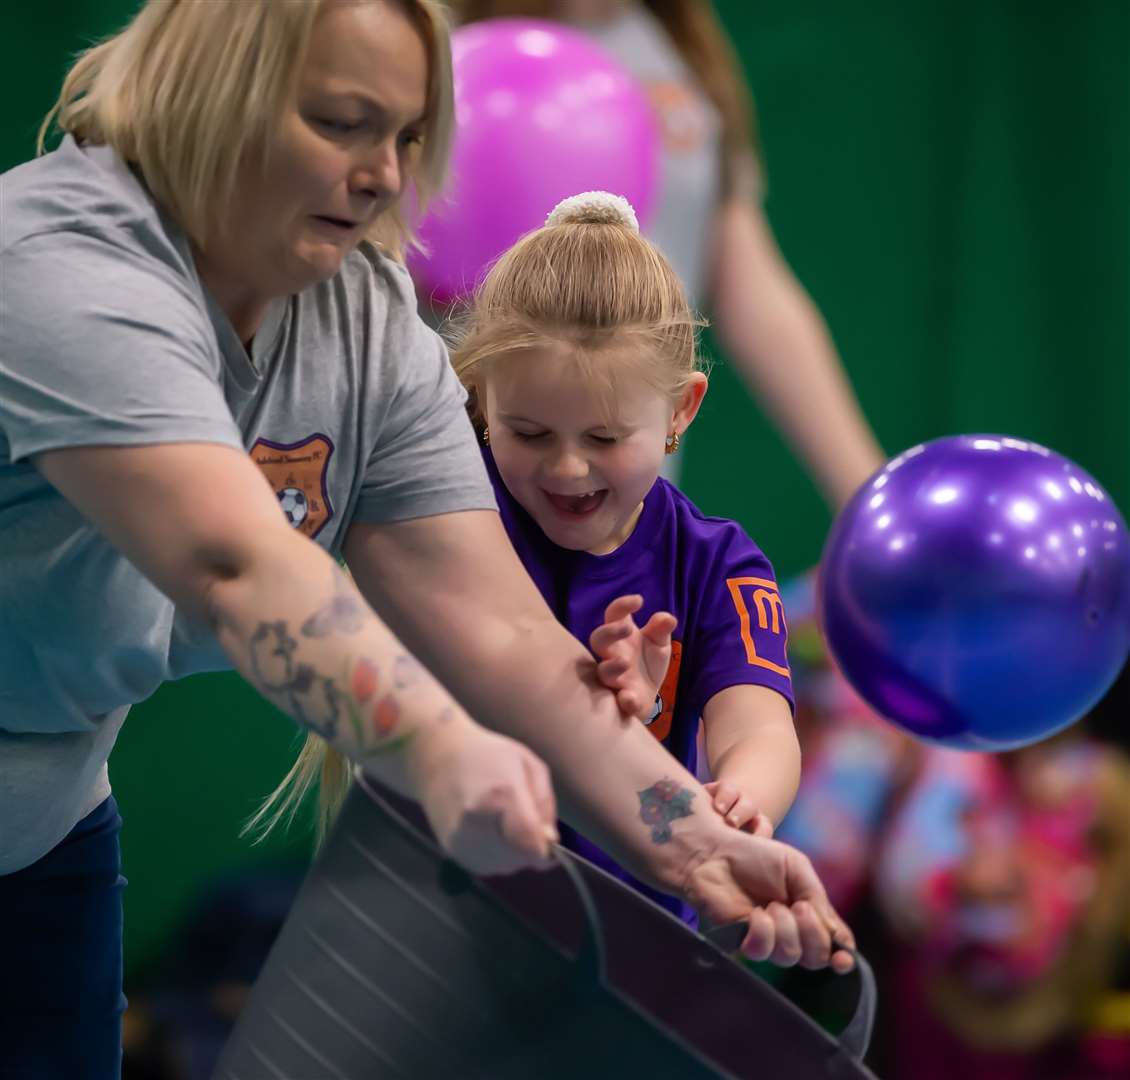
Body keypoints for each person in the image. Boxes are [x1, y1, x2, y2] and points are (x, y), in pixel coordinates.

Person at [0, 2, 854, 1076]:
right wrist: (440, 749)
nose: (381, 174)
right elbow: (233, 567)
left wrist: (694, 842)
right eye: (341, 123)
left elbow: (501, 632)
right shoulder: (63, 270)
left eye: (405, 138)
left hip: (48, 826)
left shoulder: (363, 326)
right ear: (215, 96)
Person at [286, 190, 803, 927]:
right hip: (424, 921)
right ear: (479, 396)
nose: (566, 470)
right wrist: (588, 700)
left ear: (681, 410)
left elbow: (758, 729)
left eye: (602, 439)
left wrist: (737, 807)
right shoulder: (439, 515)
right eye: (528, 433)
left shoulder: (717, 566)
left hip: (630, 944)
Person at [451, 0, 886, 509]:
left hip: (611, 508)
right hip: (468, 496)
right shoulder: (448, 37)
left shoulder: (674, 44)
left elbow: (750, 288)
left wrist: (870, 498)